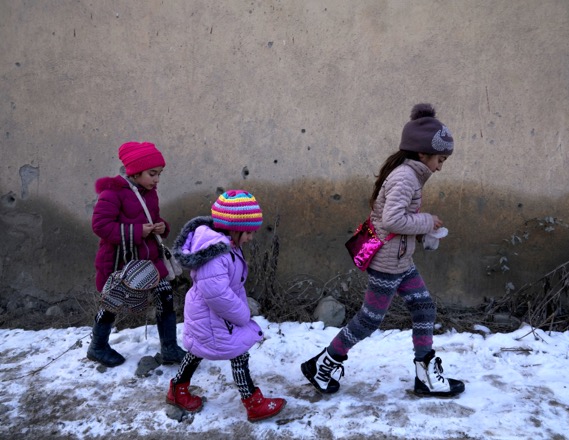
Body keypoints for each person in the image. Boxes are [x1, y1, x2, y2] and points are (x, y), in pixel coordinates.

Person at [301, 103, 465, 398]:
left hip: (400, 260)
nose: (440, 167)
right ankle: (323, 364)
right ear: (422, 154)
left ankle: (424, 374)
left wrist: (424, 231)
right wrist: (426, 221)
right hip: (389, 262)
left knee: (424, 307)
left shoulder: (410, 175)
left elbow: (397, 219)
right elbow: (392, 220)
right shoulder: (405, 177)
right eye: (439, 159)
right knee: (370, 319)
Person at [165, 190, 286, 421]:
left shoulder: (226, 245)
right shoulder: (217, 253)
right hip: (214, 315)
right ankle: (253, 403)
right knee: (238, 353)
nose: (250, 238)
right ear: (232, 227)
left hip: (212, 315)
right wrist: (243, 314)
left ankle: (177, 390)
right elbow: (217, 294)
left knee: (198, 351)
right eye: (248, 232)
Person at [89, 141, 186, 368]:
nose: (157, 180)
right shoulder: (112, 193)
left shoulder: (149, 193)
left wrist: (161, 226)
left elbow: (151, 219)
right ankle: (97, 346)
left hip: (149, 259)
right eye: (152, 174)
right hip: (121, 262)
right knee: (111, 302)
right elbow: (100, 226)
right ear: (135, 171)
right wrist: (136, 231)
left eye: (159, 174)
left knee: (165, 297)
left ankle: (170, 348)